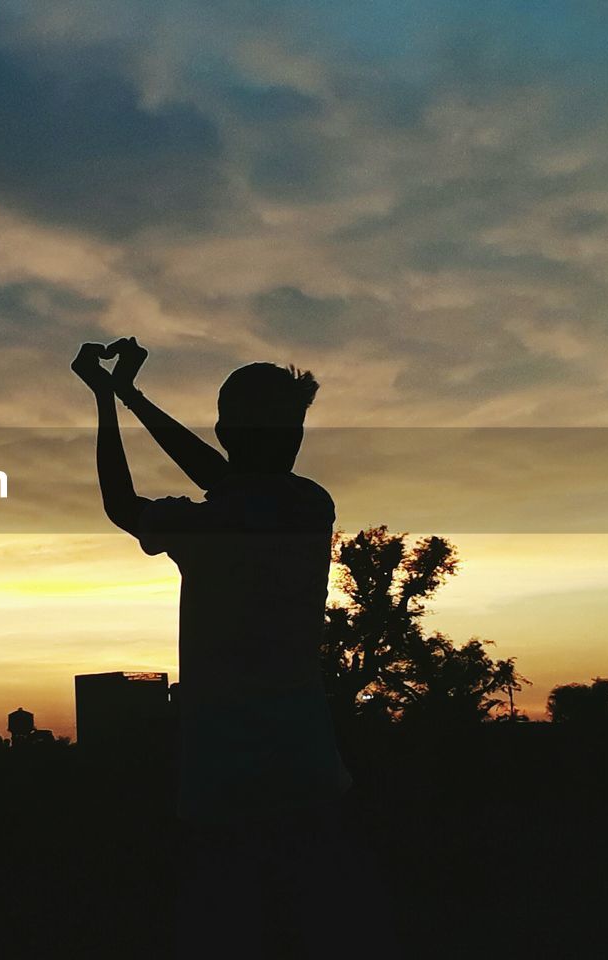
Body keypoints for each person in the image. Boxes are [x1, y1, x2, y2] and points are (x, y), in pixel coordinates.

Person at [72, 340, 377, 958]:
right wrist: (132, 397)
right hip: (311, 772)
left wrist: (108, 400)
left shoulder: (206, 524)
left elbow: (123, 504)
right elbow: (228, 478)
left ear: (223, 429)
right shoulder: (310, 505)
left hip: (220, 785)